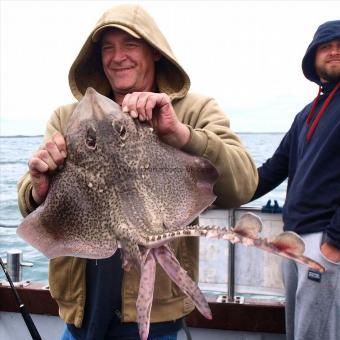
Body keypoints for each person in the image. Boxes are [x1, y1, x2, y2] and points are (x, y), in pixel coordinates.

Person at [17, 4, 258, 340]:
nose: (118, 57)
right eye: (107, 48)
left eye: (130, 45)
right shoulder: (68, 118)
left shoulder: (193, 110)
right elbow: (34, 204)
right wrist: (38, 187)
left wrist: (182, 135)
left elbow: (243, 184)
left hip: (156, 318)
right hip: (81, 314)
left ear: (154, 51)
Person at [251, 20, 340, 340]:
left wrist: (334, 244)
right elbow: (274, 169)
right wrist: (223, 192)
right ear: (313, 58)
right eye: (326, 46)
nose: (334, 51)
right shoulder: (305, 115)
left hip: (326, 242)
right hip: (293, 239)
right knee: (297, 332)